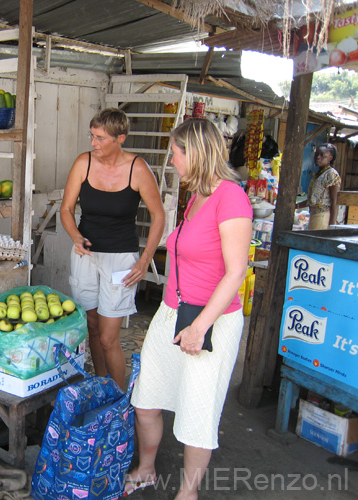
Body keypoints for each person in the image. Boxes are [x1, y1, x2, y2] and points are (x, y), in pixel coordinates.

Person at [124, 118, 252, 498]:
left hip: (210, 320)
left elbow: (236, 272)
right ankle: (146, 469)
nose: (173, 161)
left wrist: (200, 327)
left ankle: (188, 492)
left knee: (197, 411)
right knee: (147, 399)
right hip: (171, 313)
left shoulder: (231, 197)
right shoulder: (197, 197)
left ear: (194, 153)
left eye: (176, 153)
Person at [60, 108, 165, 390]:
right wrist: (75, 237)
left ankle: (118, 399)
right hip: (86, 256)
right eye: (92, 136)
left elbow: (159, 217)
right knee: (91, 326)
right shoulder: (83, 162)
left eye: (100, 138)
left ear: (121, 138)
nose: (93, 143)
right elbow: (67, 209)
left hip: (121, 259)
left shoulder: (138, 169)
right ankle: (101, 385)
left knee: (108, 337)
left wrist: (144, 262)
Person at [308, 143, 340, 230]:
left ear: (330, 158)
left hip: (322, 216)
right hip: (314, 215)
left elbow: (335, 201)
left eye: (322, 155)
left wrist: (331, 225)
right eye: (317, 155)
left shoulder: (331, 174)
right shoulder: (319, 174)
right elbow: (313, 198)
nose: (318, 157)